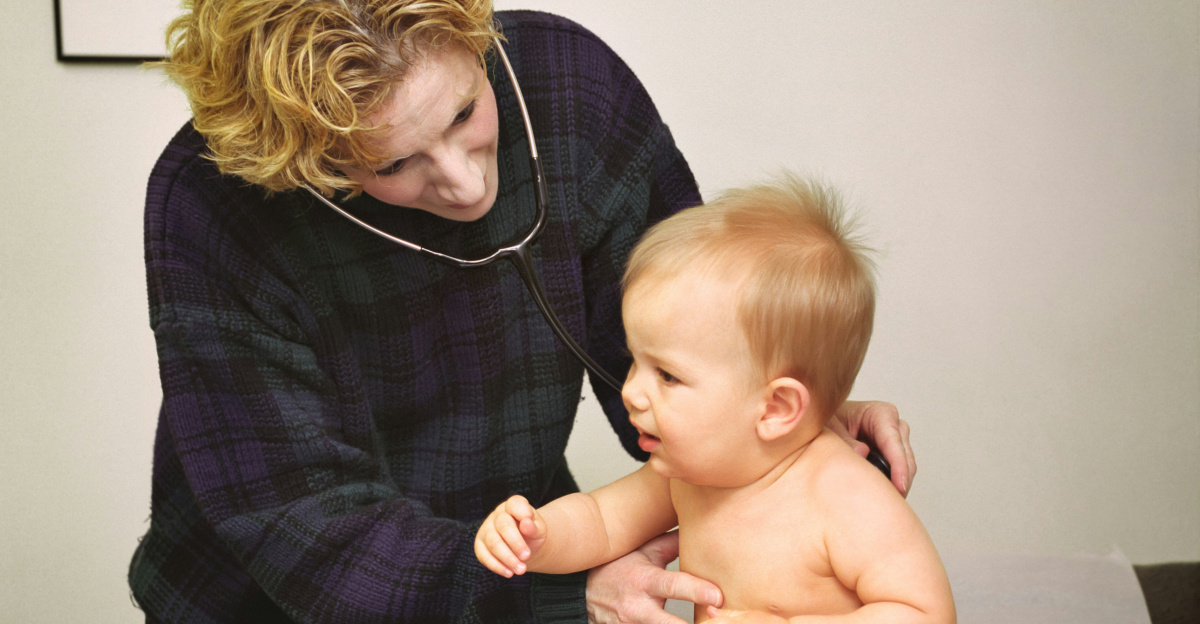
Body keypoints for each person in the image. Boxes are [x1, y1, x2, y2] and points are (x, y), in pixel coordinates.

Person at [127, 1, 916, 622]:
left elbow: (690, 332)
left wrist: (788, 419)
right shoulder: (212, 204)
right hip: (279, 595)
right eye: (392, 163)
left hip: (511, 541)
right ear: (302, 157)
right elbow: (302, 525)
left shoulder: (573, 88)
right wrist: (562, 597)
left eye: (466, 114)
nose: (466, 187)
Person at [476, 176, 954, 623]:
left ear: (776, 408)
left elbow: (924, 612)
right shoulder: (688, 475)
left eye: (667, 375)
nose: (630, 391)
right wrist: (535, 538)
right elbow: (599, 522)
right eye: (634, 361)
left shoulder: (842, 495)